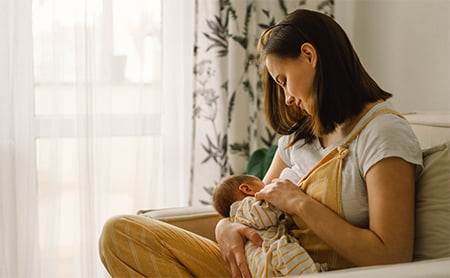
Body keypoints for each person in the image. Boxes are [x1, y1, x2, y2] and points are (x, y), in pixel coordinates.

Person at [98, 9, 423, 278]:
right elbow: (253, 209)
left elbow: (391, 255)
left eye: (284, 80)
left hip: (309, 270)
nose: (289, 98)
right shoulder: (299, 137)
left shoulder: (383, 133)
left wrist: (300, 204)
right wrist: (225, 227)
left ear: (309, 56)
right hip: (261, 264)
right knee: (119, 234)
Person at [212, 174, 321, 277]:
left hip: (259, 264)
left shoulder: (239, 217)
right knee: (294, 260)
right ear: (247, 189)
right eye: (265, 186)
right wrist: (282, 199)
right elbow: (264, 215)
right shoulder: (246, 205)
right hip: (272, 253)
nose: (269, 188)